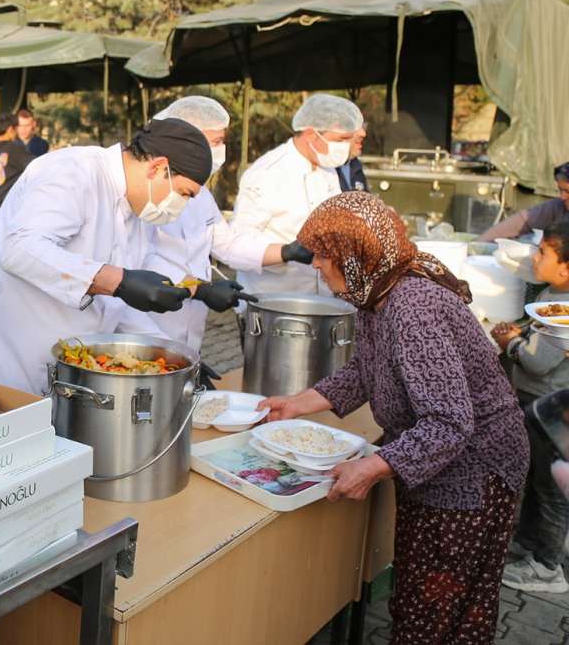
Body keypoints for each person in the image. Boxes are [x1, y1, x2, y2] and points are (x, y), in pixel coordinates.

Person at [259, 192, 529, 644]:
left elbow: (448, 423)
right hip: (443, 462)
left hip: (474, 474)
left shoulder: (413, 307)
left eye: (324, 256)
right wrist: (299, 402)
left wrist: (371, 467)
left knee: (439, 604)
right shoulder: (376, 292)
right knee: (427, 596)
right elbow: (369, 368)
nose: (316, 266)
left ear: (355, 255)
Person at [0, 118, 250, 394]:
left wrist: (173, 357)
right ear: (158, 168)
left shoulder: (138, 214)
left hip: (48, 377)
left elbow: (116, 308)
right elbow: (18, 250)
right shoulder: (73, 172)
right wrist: (117, 280)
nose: (182, 205)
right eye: (183, 194)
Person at [144, 96, 314, 353]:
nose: (222, 149)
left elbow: (227, 244)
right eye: (216, 142)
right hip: (146, 326)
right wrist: (200, 289)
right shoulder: (148, 189)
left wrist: (287, 251)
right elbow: (140, 261)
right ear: (187, 138)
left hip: (188, 331)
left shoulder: (202, 196)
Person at [490, 221, 569, 593]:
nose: (535, 258)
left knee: (550, 491)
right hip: (542, 403)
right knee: (537, 482)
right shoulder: (554, 294)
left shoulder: (561, 311)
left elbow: (539, 363)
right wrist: (521, 335)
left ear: (566, 266)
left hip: (549, 407)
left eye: (543, 253)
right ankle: (527, 545)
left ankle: (548, 568)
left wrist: (510, 343)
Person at [231, 93, 367, 297]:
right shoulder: (267, 173)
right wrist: (287, 252)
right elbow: (236, 246)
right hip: (274, 300)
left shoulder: (327, 169)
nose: (346, 146)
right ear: (312, 135)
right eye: (341, 139)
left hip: (321, 297)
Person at [478, 163, 569, 243]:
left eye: (567, 191)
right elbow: (519, 223)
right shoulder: (557, 207)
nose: (563, 197)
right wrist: (476, 246)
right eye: (560, 190)